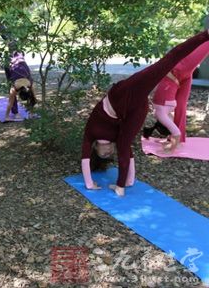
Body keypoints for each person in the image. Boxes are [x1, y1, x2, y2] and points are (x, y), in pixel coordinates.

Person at [81, 29, 209, 196]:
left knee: (169, 61)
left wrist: (89, 184)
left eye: (103, 154)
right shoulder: (117, 138)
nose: (108, 153)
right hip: (136, 109)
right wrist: (129, 181)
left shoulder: (90, 133)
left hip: (122, 94)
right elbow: (127, 152)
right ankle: (121, 185)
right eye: (109, 155)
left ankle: (205, 35)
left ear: (95, 148)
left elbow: (85, 159)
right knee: (124, 145)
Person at [144, 41, 209, 152]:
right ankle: (179, 139)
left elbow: (161, 68)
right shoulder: (162, 113)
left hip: (179, 71)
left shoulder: (160, 112)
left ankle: (178, 139)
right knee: (181, 106)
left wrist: (173, 78)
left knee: (206, 44)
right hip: (181, 75)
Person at [4, 51, 37, 121]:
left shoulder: (30, 84)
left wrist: (32, 113)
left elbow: (33, 99)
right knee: (12, 96)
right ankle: (15, 113)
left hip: (21, 62)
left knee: (13, 97)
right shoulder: (14, 88)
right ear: (19, 93)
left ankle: (30, 113)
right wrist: (6, 117)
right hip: (10, 63)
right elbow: (10, 102)